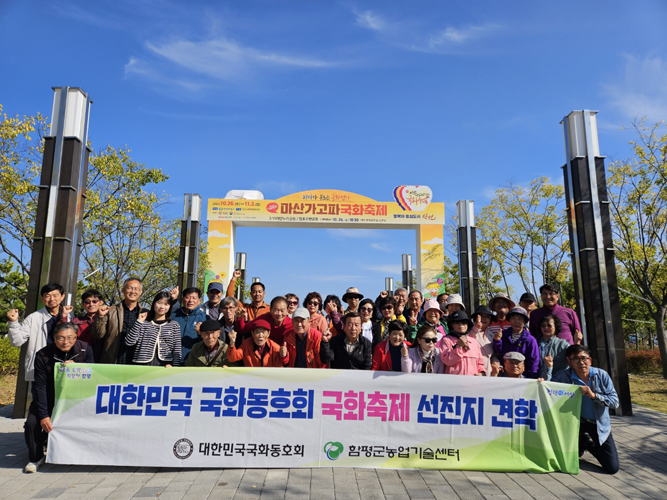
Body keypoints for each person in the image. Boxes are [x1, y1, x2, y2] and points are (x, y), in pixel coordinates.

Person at [23, 323, 94, 473]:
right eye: (60, 338)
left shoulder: (85, 349)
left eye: (70, 337)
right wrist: (44, 415)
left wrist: (77, 369)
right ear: (54, 338)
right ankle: (36, 458)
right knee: (32, 423)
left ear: (76, 337)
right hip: (48, 396)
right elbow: (40, 387)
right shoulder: (43, 355)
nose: (65, 341)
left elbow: (92, 375)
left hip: (73, 399)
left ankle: (72, 453)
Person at [552, 345, 620, 474]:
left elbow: (615, 403)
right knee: (563, 458)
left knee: (612, 468)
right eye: (576, 359)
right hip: (575, 424)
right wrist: (547, 370)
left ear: (590, 360)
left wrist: (593, 395)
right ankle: (580, 441)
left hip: (598, 425)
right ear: (569, 361)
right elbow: (548, 391)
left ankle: (588, 443)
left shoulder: (601, 375)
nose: (581, 362)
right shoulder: (562, 376)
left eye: (584, 358)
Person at [8, 283, 71, 383]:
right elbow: (17, 341)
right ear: (42, 298)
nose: (51, 299)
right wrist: (13, 322)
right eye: (47, 296)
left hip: (64, 368)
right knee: (40, 398)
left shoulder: (70, 317)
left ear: (62, 296)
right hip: (41, 369)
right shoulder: (33, 318)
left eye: (55, 295)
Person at [91, 277, 144, 364]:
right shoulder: (110, 310)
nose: (133, 291)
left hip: (136, 362)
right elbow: (97, 335)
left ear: (140, 292)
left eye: (136, 289)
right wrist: (100, 317)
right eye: (129, 288)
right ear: (123, 290)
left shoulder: (145, 313)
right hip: (112, 360)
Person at [125, 291, 182, 367]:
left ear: (170, 306)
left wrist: (175, 367)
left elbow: (177, 349)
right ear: (154, 303)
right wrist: (139, 322)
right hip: (142, 364)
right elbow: (129, 342)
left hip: (165, 364)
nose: (162, 307)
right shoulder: (143, 323)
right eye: (159, 303)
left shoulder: (174, 325)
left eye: (166, 304)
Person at [492, 306, 539, 379]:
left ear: (524, 321)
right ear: (509, 320)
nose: (516, 321)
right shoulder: (503, 335)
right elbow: (497, 352)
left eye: (520, 319)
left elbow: (534, 361)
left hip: (523, 376)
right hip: (504, 375)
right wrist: (497, 341)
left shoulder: (530, 339)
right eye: (513, 318)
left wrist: (531, 378)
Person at [60, 289, 103, 361]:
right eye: (87, 302)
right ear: (82, 304)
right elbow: (63, 332)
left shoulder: (106, 319)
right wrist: (64, 316)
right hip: (81, 357)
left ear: (101, 302)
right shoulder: (76, 321)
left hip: (102, 358)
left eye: (94, 301)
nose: (91, 304)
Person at [438, 311, 485, 376]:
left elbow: (480, 363)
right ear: (451, 324)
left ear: (468, 324)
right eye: (456, 322)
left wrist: (482, 372)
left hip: (472, 383)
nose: (461, 325)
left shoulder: (474, 341)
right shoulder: (446, 340)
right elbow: (447, 361)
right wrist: (458, 347)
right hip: (454, 383)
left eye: (464, 322)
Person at [172, 287, 208, 360]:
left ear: (199, 301)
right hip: (171, 359)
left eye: (194, 298)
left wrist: (200, 333)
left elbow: (208, 342)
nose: (191, 300)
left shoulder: (205, 318)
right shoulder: (173, 316)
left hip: (193, 360)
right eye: (187, 297)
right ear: (182, 300)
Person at [538, 314, 572, 380]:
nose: (546, 328)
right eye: (543, 325)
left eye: (549, 325)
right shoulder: (535, 343)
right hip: (537, 381)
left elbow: (573, 359)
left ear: (556, 327)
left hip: (557, 382)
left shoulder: (563, 344)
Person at [470, 305, 496, 375]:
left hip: (488, 373)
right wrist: (476, 328)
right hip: (475, 371)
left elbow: (493, 355)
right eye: (481, 316)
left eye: (487, 317)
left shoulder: (492, 335)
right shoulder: (469, 331)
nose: (484, 319)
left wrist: (496, 363)